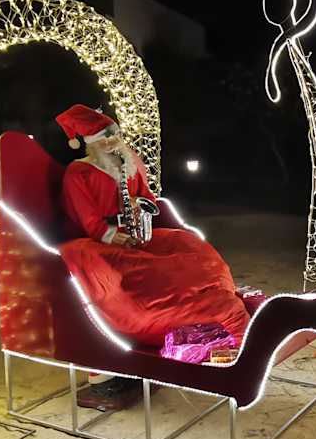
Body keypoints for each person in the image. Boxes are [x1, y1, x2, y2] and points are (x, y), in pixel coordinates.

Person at [53, 105, 250, 410]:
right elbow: (88, 220)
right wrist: (110, 234)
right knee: (140, 271)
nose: (112, 142)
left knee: (188, 245)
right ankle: (178, 318)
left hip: (139, 233)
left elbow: (149, 197)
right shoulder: (78, 172)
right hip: (99, 241)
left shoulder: (130, 162)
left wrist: (139, 205)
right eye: (104, 137)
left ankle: (211, 299)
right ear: (90, 143)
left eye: (115, 134)